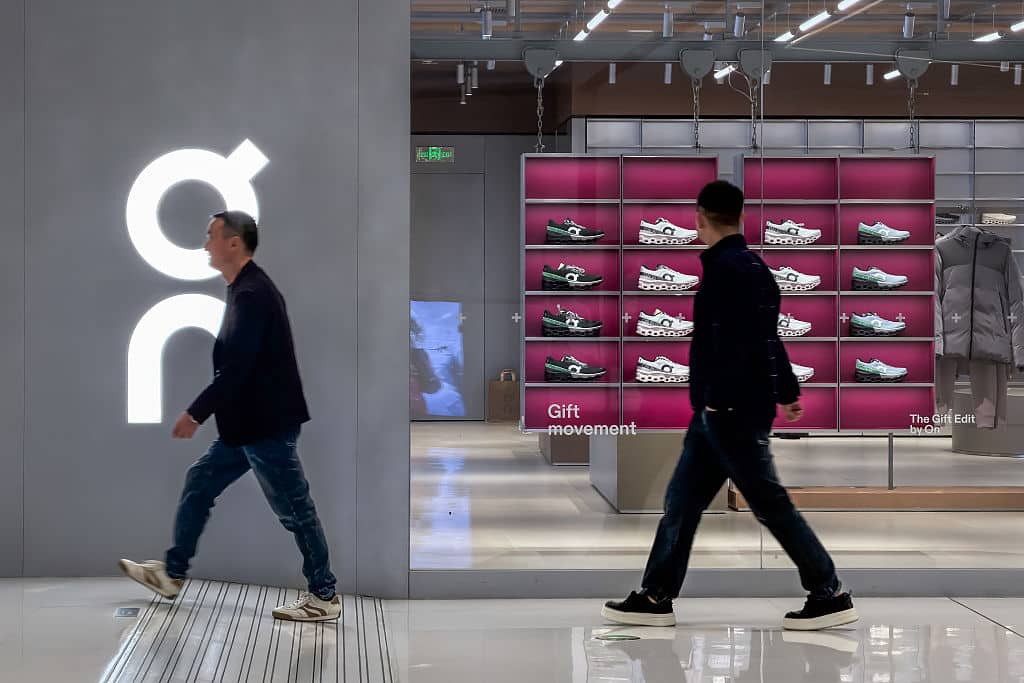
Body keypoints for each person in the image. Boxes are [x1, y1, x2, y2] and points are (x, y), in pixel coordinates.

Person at [602, 181, 858, 632]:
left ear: (701, 217)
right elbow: (767, 337)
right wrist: (788, 391)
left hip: (730, 413)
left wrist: (741, 398)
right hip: (716, 414)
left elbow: (744, 344)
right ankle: (657, 594)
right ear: (741, 215)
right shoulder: (747, 267)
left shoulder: (730, 271)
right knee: (681, 504)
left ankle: (829, 591)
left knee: (770, 505)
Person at [119, 210, 340, 622]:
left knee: (295, 508)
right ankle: (172, 573)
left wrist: (195, 413)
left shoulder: (253, 294)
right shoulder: (244, 289)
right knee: (200, 482)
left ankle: (324, 595)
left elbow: (237, 370)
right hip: (247, 426)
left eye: (210, 236)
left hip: (265, 426)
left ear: (233, 243)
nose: (205, 244)